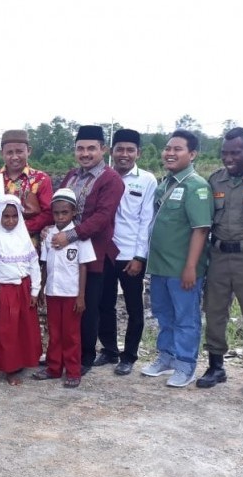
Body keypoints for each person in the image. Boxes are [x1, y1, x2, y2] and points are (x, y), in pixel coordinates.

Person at [197, 127, 243, 395]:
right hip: (218, 255)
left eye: (235, 152)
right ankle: (216, 366)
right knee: (215, 311)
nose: (228, 158)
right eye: (224, 153)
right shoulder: (215, 180)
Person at [141, 130, 213, 387]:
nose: (170, 153)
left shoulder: (196, 186)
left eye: (178, 149)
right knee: (163, 314)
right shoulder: (167, 183)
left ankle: (185, 365)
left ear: (192, 154)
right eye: (167, 148)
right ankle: (166, 358)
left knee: (186, 317)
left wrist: (191, 267)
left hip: (183, 268)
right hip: (160, 266)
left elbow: (201, 229)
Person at [50, 125, 124, 374]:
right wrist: (50, 231)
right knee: (68, 305)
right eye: (80, 148)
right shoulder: (72, 175)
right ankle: (63, 356)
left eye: (91, 148)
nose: (85, 153)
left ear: (102, 149)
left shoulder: (111, 179)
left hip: (95, 253)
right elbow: (59, 207)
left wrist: (68, 236)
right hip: (66, 253)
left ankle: (85, 357)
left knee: (88, 306)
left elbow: (103, 217)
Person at [94, 129, 157, 376]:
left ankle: (129, 355)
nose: (124, 154)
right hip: (105, 251)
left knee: (134, 307)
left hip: (130, 254)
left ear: (138, 153)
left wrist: (140, 256)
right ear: (111, 151)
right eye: (119, 149)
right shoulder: (101, 177)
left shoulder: (147, 180)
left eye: (130, 150)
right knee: (104, 303)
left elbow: (146, 221)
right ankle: (109, 350)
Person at [33, 188, 96, 388]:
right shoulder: (48, 235)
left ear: (74, 212)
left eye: (65, 212)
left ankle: (73, 371)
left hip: (71, 294)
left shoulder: (79, 236)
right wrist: (42, 288)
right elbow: (45, 264)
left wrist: (81, 296)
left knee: (71, 334)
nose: (60, 216)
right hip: (53, 292)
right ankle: (53, 368)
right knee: (54, 331)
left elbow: (83, 266)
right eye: (56, 213)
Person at [0, 194, 42, 384]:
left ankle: (22, 362)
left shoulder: (23, 236)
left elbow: (33, 263)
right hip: (4, 290)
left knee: (24, 328)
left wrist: (35, 290)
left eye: (14, 216)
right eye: (6, 216)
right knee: (5, 330)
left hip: (24, 288)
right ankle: (9, 368)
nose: (10, 221)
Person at [0, 129, 54, 247]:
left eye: (19, 151)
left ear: (29, 151)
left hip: (30, 244)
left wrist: (19, 227)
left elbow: (49, 213)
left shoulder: (41, 179)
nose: (15, 157)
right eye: (9, 152)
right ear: (2, 153)